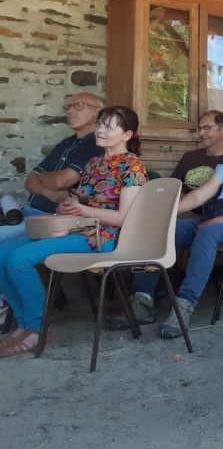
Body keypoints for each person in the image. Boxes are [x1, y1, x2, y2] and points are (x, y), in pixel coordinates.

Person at [124, 114, 223, 337]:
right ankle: (142, 301)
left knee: (208, 231)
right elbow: (199, 195)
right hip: (220, 221)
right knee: (160, 230)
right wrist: (165, 213)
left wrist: (212, 222)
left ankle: (183, 307)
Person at [0, 106, 147, 355]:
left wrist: (83, 211)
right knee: (2, 254)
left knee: (19, 259)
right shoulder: (93, 163)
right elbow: (84, 201)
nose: (100, 129)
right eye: (100, 124)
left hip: (103, 237)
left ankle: (37, 330)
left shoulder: (132, 167)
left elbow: (123, 218)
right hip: (78, 230)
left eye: (108, 126)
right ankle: (24, 326)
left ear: (127, 135)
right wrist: (72, 204)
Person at [0, 93, 103, 245]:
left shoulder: (96, 144)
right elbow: (29, 181)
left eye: (79, 106)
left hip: (56, 220)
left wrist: (40, 176)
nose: (71, 111)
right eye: (69, 107)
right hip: (29, 213)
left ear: (98, 112)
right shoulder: (66, 143)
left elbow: (62, 181)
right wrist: (46, 191)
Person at [171, 111, 223, 193]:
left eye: (207, 128)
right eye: (200, 129)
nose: (201, 133)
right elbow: (172, 187)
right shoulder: (189, 157)